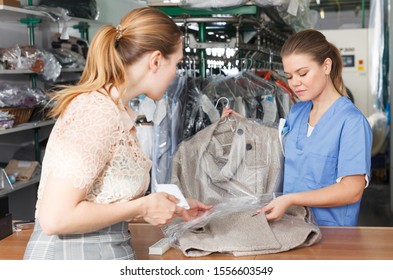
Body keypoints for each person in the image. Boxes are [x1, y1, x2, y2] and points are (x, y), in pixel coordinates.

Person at [23, 7, 211, 260]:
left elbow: (100, 199)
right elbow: (55, 218)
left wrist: (164, 206)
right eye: (176, 64)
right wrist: (142, 205)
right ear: (155, 60)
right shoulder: (96, 113)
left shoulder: (114, 111)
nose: (176, 74)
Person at [223, 29, 372, 226]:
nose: (295, 83)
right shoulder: (298, 112)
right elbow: (277, 142)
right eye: (290, 76)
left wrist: (292, 199)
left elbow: (352, 190)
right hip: (292, 227)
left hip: (332, 234)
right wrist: (243, 123)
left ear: (326, 66)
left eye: (303, 73)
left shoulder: (352, 122)